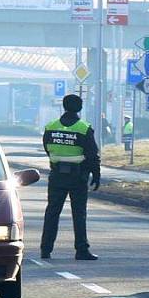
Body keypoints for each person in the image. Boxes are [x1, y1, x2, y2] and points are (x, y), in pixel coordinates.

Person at [40, 94, 100, 261]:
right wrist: (96, 174)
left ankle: (45, 249)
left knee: (52, 212)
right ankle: (81, 250)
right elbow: (92, 155)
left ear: (64, 106)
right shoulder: (83, 128)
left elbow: (47, 148)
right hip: (78, 176)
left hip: (57, 175)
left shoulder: (50, 127)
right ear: (80, 108)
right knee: (79, 214)